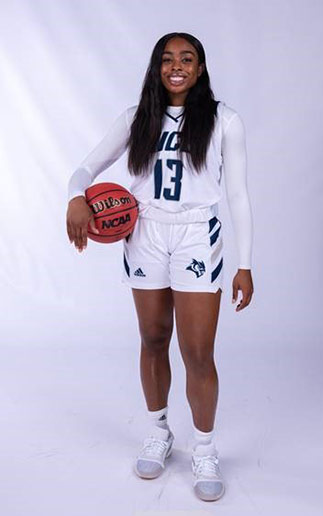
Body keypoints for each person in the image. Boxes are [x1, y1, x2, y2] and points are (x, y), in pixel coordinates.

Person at [66, 32, 254, 502]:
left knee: (197, 351)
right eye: (168, 59)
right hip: (144, 232)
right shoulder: (136, 119)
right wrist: (75, 198)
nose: (177, 66)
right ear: (156, 67)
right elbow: (85, 169)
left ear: (200, 67)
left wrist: (245, 264)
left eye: (186, 59)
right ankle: (159, 430)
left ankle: (205, 448)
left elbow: (238, 196)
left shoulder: (224, 120)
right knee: (152, 337)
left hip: (196, 234)